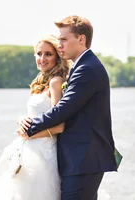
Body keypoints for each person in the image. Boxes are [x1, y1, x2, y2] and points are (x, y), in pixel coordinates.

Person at [19, 15, 117, 200]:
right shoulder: (82, 66)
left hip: (84, 159)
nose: (60, 44)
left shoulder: (87, 69)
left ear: (81, 39)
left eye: (64, 39)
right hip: (78, 159)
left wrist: (29, 127)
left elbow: (62, 110)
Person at [0, 35, 71, 200]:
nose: (42, 58)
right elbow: (35, 113)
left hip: (43, 153)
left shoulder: (56, 82)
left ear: (57, 57)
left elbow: (60, 126)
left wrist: (30, 134)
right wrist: (20, 119)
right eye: (39, 54)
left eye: (48, 54)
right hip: (27, 148)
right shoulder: (40, 82)